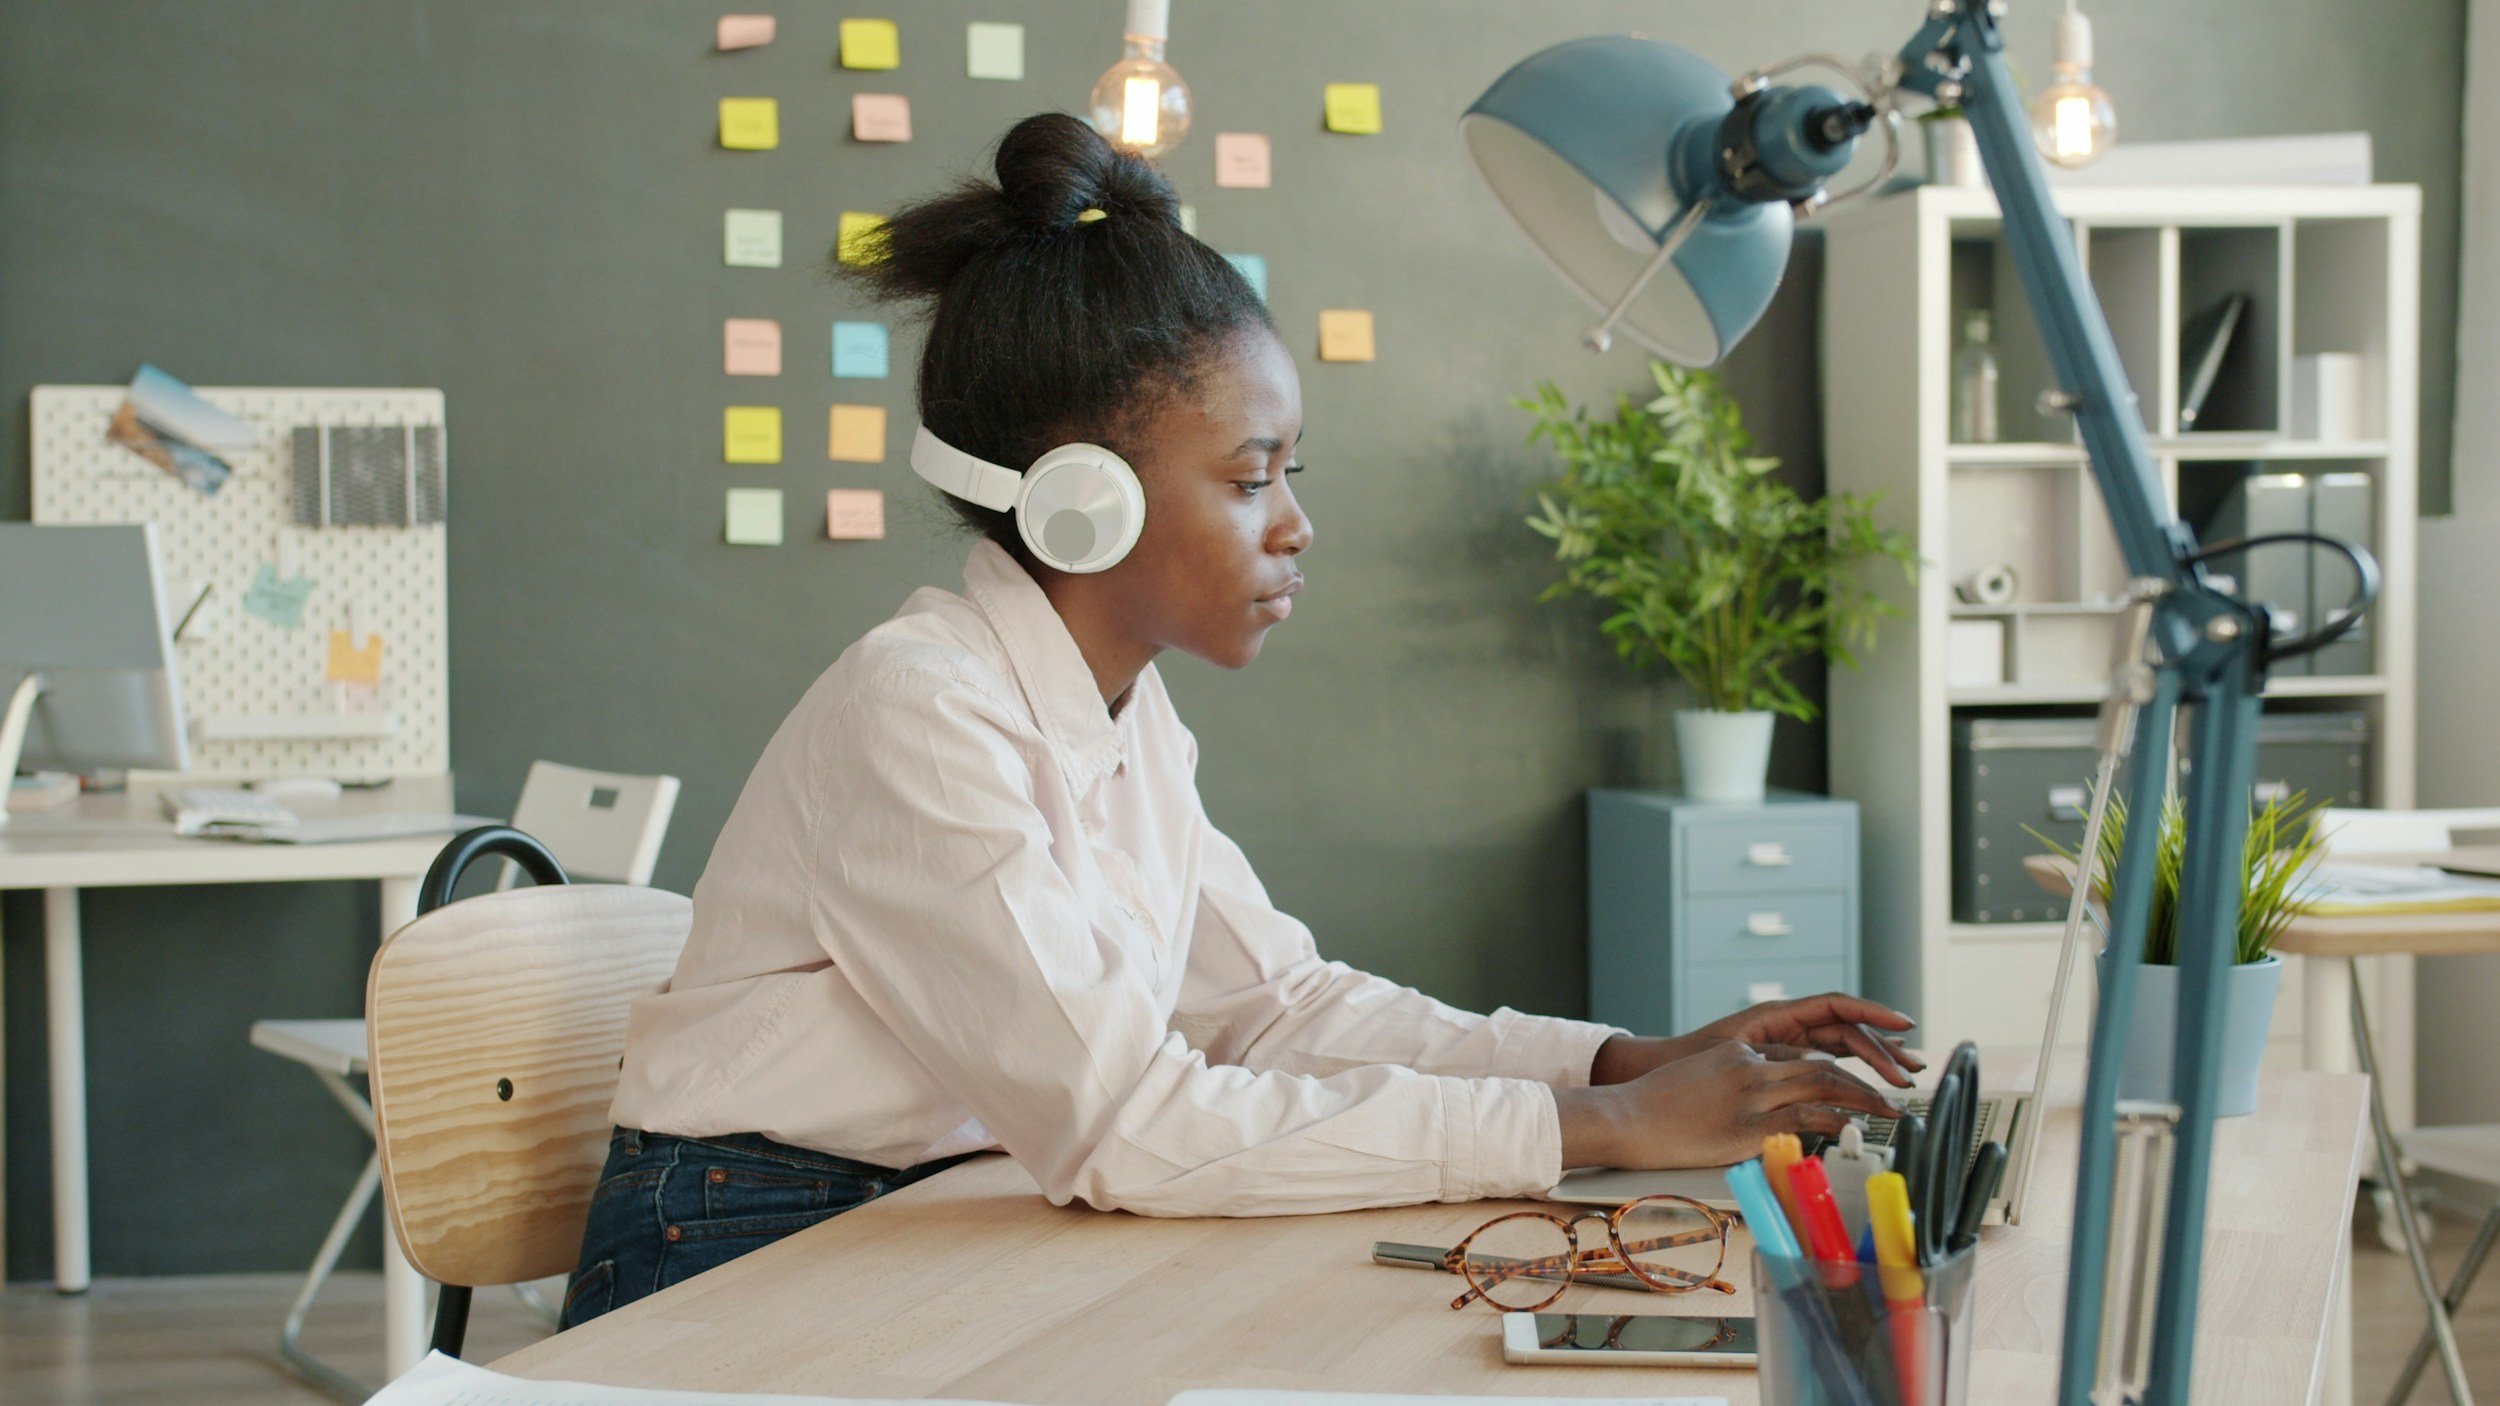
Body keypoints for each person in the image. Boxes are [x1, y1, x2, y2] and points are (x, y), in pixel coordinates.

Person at [562, 112, 1920, 1329]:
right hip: (735, 1240)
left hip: (927, 1205)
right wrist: (1598, 1126)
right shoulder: (916, 709)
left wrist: (1623, 1060)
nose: (1296, 523)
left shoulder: (1121, 713)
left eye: (1293, 471)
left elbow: (1273, 1010)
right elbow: (1128, 1123)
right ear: (1079, 501)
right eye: (1251, 474)